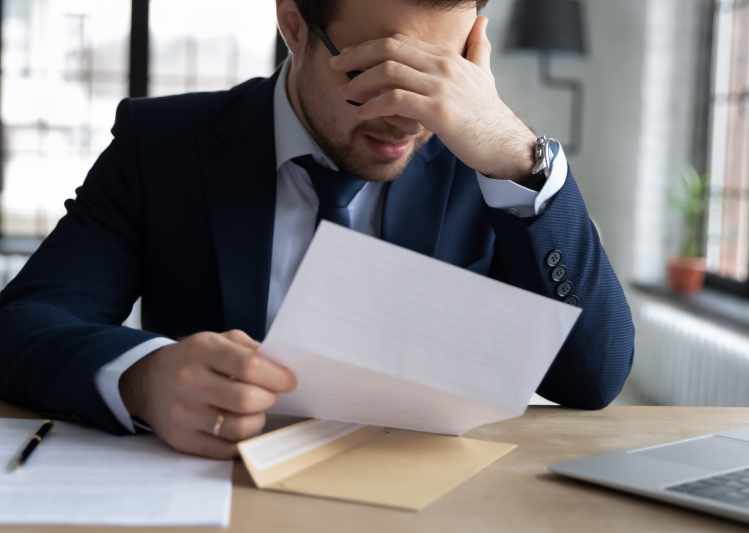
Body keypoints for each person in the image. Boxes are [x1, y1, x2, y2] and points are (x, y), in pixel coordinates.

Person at [0, 0, 634, 459]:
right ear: (294, 24)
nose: (406, 117)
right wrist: (145, 378)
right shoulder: (163, 147)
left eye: (437, 72)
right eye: (373, 73)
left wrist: (519, 158)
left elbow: (591, 379)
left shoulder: (489, 170)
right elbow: (22, 325)